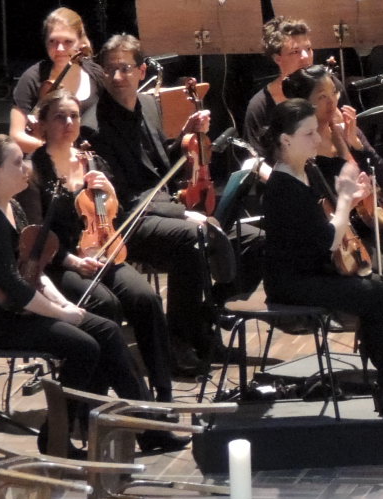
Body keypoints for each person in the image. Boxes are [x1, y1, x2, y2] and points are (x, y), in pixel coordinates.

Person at [0, 134, 180, 457]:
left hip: (16, 309)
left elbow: (33, 268)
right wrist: (61, 314)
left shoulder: (11, 207)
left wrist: (64, 303)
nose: (26, 168)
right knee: (84, 347)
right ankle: (56, 438)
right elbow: (15, 287)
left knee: (107, 330)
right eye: (17, 163)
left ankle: (147, 426)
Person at [92, 33, 260, 370]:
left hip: (165, 207)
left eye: (125, 68)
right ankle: (178, 340)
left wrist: (185, 135)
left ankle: (206, 319)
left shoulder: (149, 105)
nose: (117, 76)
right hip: (131, 221)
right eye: (109, 69)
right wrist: (183, 214)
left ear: (142, 71)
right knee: (191, 236)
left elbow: (159, 169)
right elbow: (123, 197)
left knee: (256, 241)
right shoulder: (94, 126)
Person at [259, 98, 383, 414]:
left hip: (315, 270)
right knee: (381, 293)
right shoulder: (282, 186)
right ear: (286, 140)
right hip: (294, 283)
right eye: (308, 133)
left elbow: (321, 228)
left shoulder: (306, 171)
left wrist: (352, 199)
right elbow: (327, 239)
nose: (317, 138)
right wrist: (343, 200)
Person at [20, 92, 176, 401]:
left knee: (146, 299)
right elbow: (35, 236)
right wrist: (72, 261)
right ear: (43, 124)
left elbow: (112, 215)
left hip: (103, 252)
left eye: (74, 116)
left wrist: (110, 193)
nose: (69, 122)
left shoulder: (93, 161)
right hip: (59, 264)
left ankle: (163, 389)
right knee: (105, 305)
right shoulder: (34, 170)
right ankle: (114, 395)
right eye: (60, 117)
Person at [280, 63, 383, 322]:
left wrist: (355, 144)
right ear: (304, 104)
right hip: (342, 234)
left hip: (369, 222)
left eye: (333, 93)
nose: (332, 102)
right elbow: (318, 201)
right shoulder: (302, 145)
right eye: (322, 97)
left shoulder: (347, 130)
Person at [10, 8, 103, 155]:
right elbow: (16, 137)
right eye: (53, 41)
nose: (59, 48)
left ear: (80, 42)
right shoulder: (32, 78)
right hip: (44, 161)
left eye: (68, 41)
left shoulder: (96, 74)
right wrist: (63, 151)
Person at [243, 17, 317, 151]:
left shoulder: (329, 87)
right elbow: (255, 156)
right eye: (295, 52)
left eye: (308, 48)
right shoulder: (260, 105)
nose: (306, 56)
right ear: (278, 58)